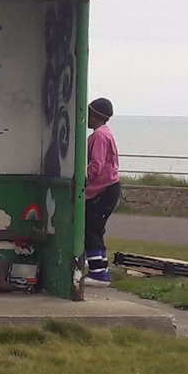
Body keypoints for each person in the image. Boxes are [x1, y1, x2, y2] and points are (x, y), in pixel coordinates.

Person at [76, 96, 121, 291]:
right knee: (97, 228)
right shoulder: (105, 133)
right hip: (109, 188)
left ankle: (98, 273)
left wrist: (84, 178)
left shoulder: (99, 137)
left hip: (102, 189)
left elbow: (97, 164)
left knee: (90, 228)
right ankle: (100, 267)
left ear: (94, 116)